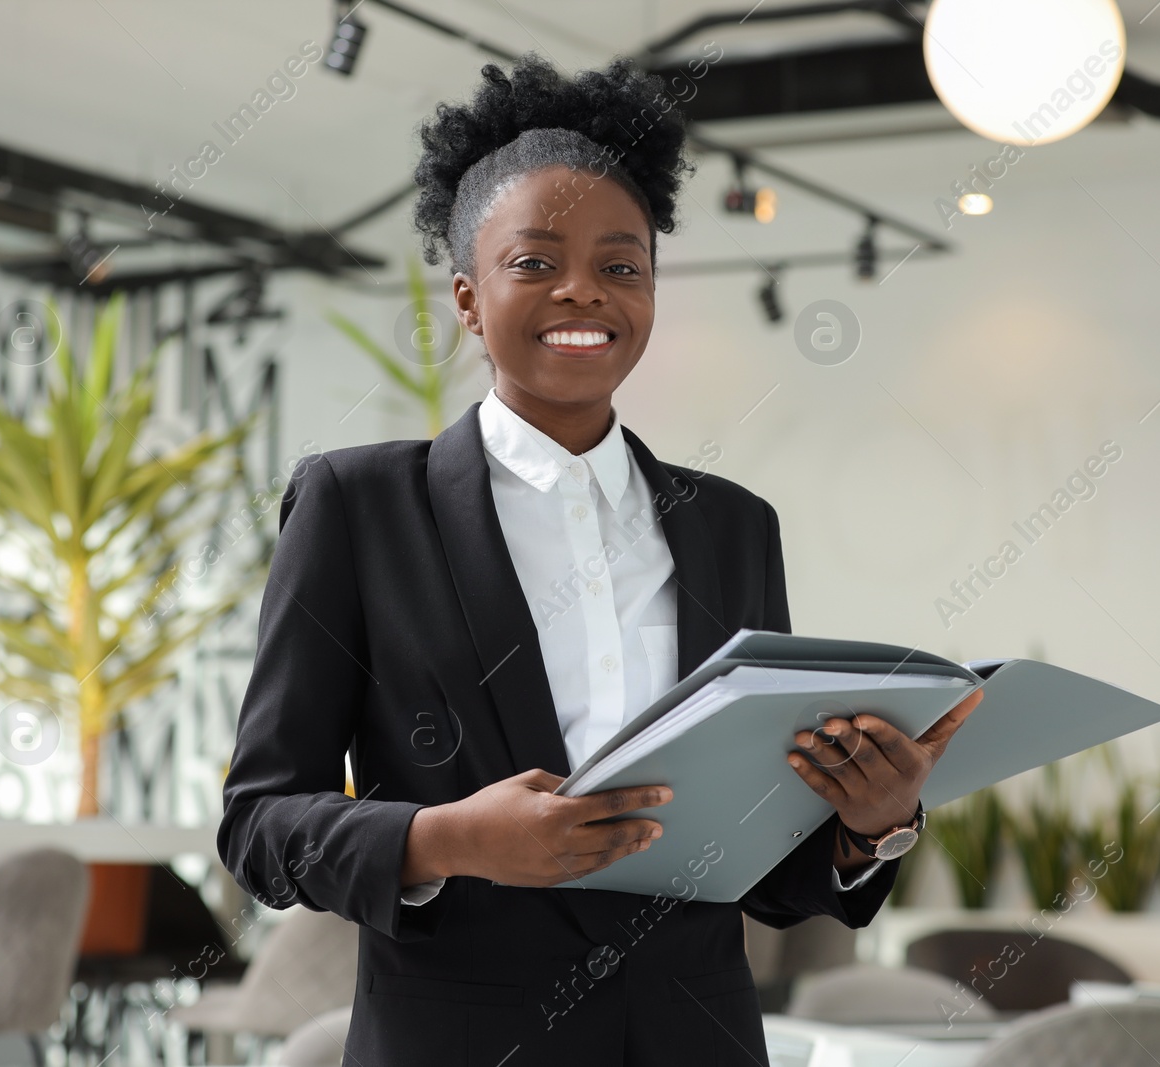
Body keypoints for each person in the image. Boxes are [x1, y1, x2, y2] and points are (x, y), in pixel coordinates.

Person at [217, 52, 981, 1067]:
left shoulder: (731, 525)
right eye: (534, 262)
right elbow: (262, 825)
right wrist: (449, 837)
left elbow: (765, 868)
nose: (584, 290)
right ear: (466, 297)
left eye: (621, 264)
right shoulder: (358, 506)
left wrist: (870, 823)